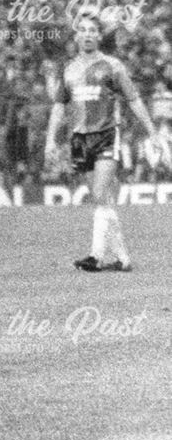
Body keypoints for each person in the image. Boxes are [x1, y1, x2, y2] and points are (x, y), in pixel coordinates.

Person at [44, 13, 159, 272]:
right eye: (82, 30)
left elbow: (134, 99)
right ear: (76, 36)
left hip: (107, 134)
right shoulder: (69, 69)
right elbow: (59, 107)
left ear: (98, 35)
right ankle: (122, 258)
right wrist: (50, 139)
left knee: (98, 194)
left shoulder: (113, 66)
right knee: (102, 199)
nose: (86, 34)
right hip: (80, 138)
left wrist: (152, 131)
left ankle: (96, 256)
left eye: (91, 30)